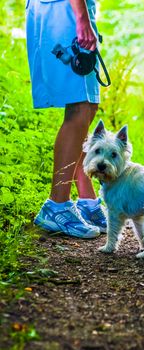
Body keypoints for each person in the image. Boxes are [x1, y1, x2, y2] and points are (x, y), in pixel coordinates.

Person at [26, 0, 106, 238]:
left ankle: (86, 199)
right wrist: (81, 18)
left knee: (88, 106)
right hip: (64, 12)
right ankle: (57, 204)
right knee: (80, 107)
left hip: (65, 10)